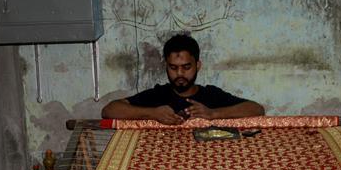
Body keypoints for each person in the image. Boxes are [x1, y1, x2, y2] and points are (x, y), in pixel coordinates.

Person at [101, 34, 264, 125]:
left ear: (198, 65)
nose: (179, 74)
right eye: (173, 67)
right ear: (166, 66)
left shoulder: (211, 95)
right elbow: (109, 110)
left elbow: (256, 109)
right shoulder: (158, 95)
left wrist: (213, 113)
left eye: (186, 67)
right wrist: (153, 113)